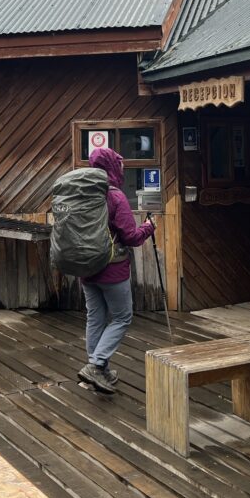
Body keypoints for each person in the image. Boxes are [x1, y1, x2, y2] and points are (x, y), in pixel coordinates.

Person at [78, 146, 155, 393]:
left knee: (95, 317)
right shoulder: (115, 196)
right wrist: (149, 227)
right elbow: (131, 237)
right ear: (111, 166)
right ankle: (97, 366)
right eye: (118, 163)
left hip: (87, 268)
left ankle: (98, 370)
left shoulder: (82, 193)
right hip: (112, 270)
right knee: (122, 317)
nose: (122, 167)